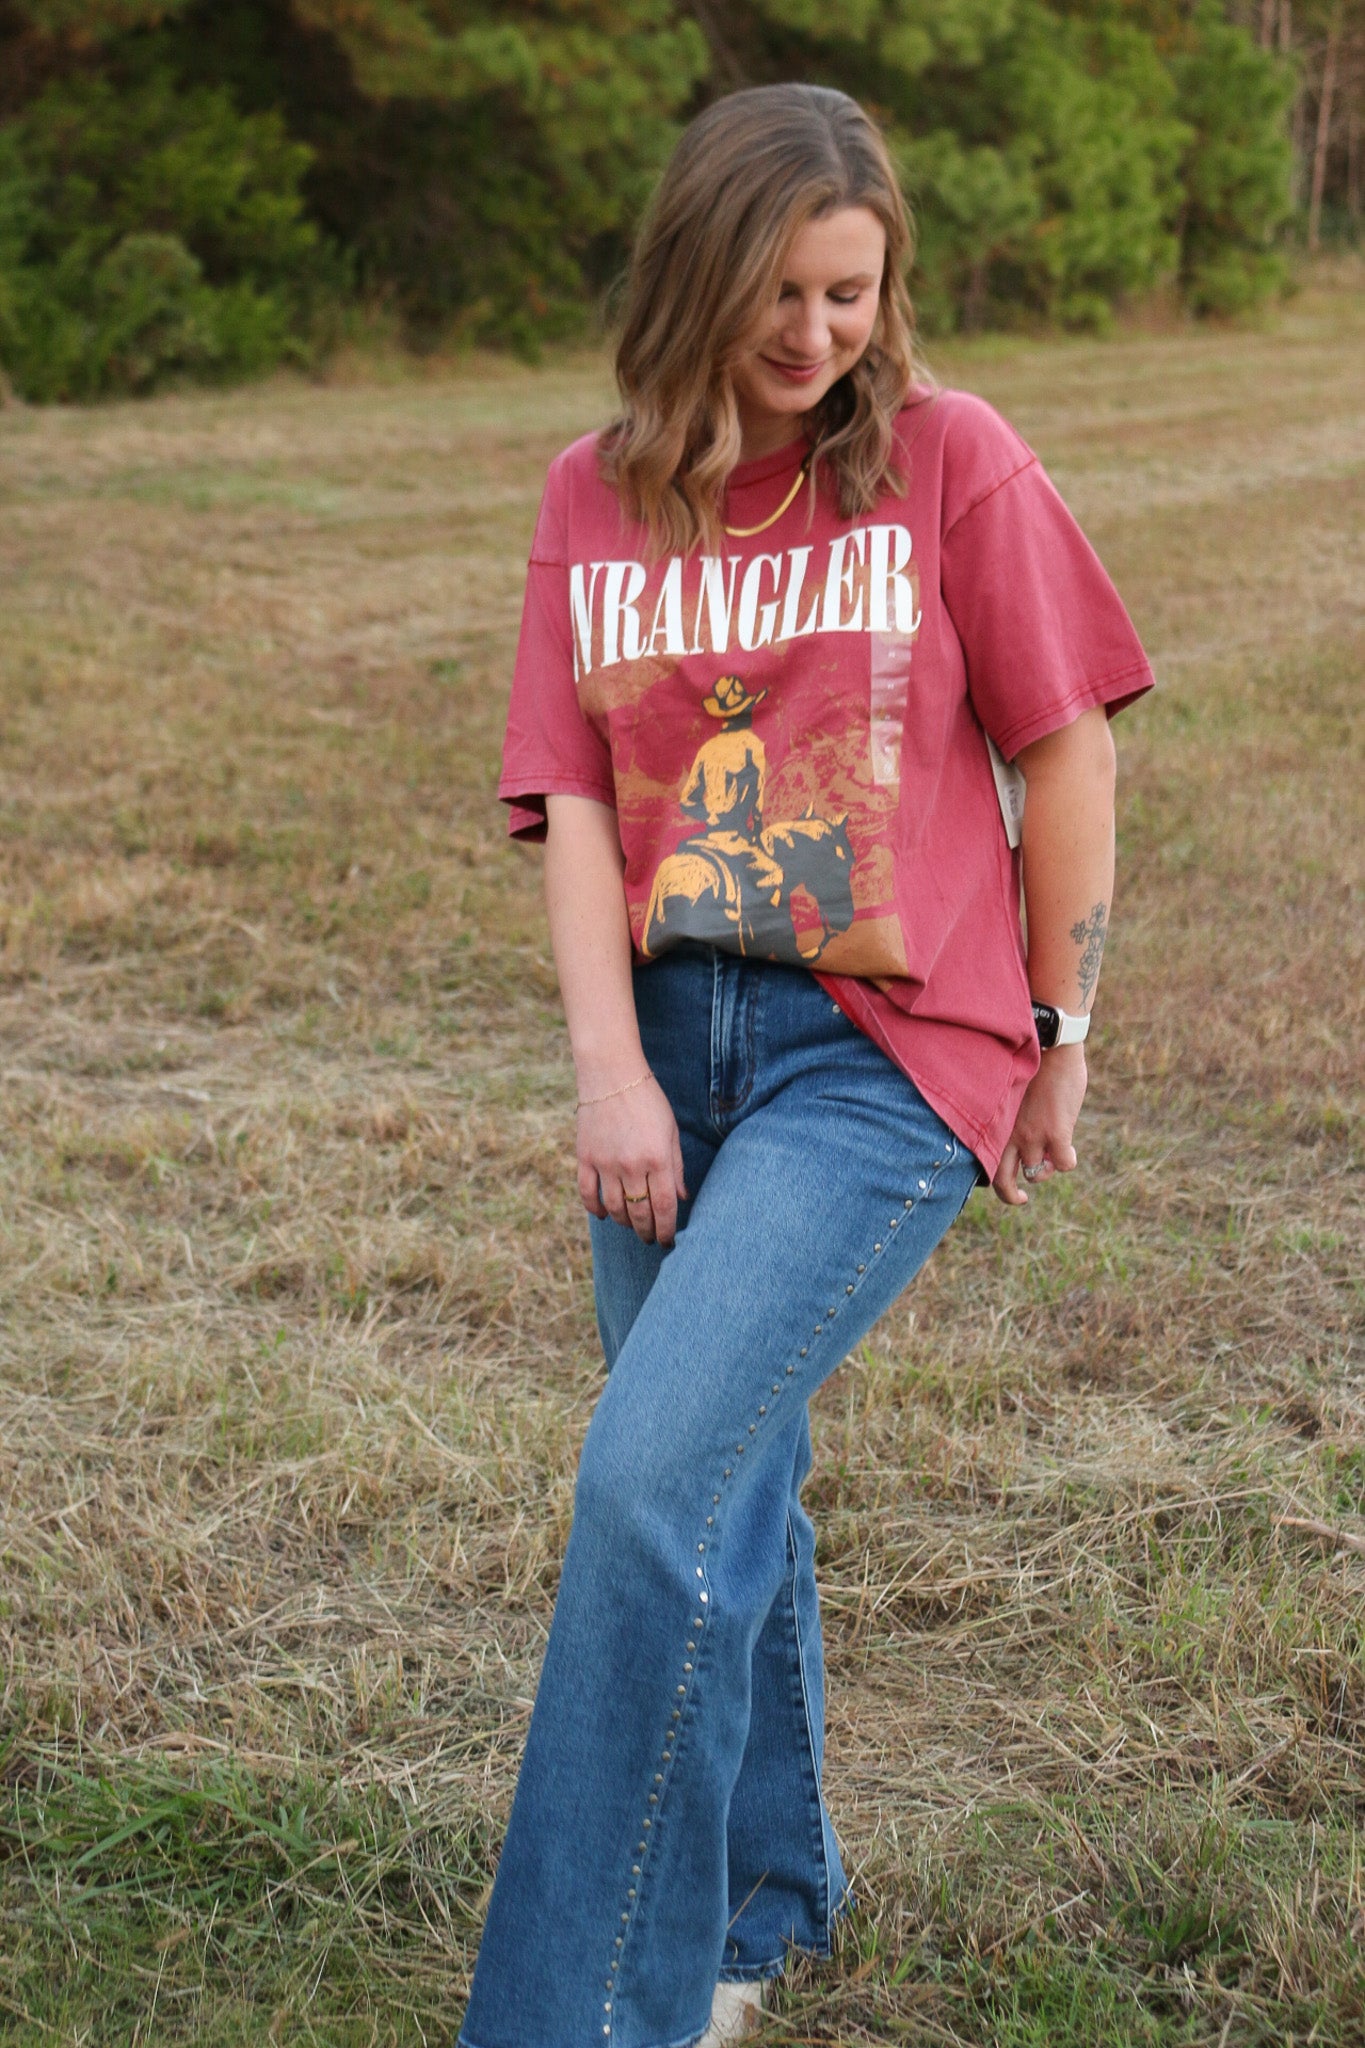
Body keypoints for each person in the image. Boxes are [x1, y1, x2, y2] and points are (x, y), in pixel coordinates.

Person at [460, 82, 1151, 2048]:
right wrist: (605, 1074)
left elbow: (1063, 746)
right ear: (695, 273)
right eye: (776, 293)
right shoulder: (592, 496)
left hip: (879, 1053)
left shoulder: (945, 463)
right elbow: (579, 805)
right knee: (722, 1473)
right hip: (668, 1047)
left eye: (848, 294)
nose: (814, 335)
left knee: (645, 1485)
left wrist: (1060, 1026)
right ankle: (767, 1892)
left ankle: (588, 2015)